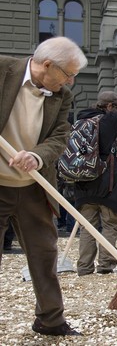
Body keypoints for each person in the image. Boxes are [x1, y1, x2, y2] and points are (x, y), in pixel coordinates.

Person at [0, 36, 87, 336]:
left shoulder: (62, 96)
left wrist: (37, 156)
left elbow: (60, 135)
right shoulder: (3, 70)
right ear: (48, 65)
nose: (71, 81)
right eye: (68, 74)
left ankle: (50, 321)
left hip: (33, 187)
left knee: (44, 254)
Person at [75, 85, 117, 276]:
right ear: (110, 106)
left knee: (87, 228)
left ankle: (84, 267)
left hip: (82, 184)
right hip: (106, 185)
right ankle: (105, 265)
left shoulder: (81, 120)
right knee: (110, 225)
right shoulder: (107, 120)